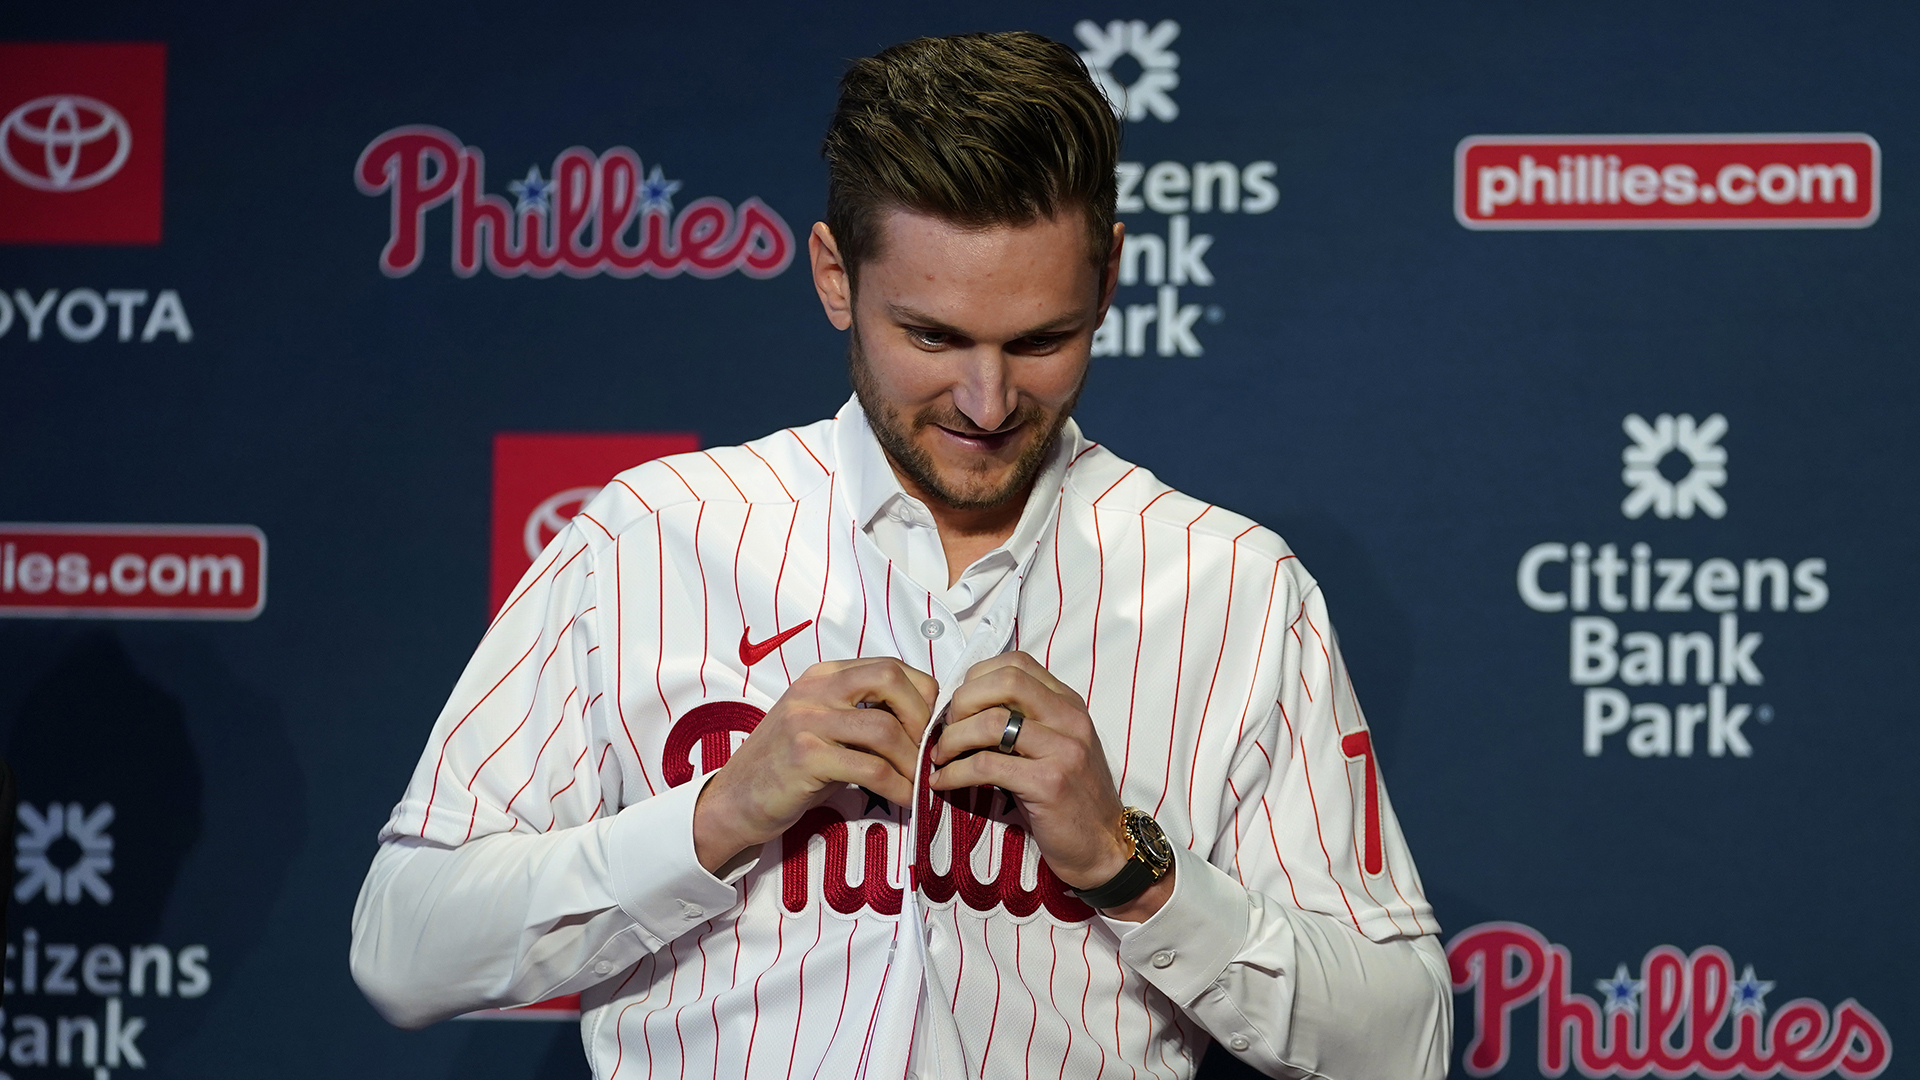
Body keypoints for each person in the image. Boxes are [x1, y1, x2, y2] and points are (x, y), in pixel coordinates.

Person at [351, 30, 1450, 1080]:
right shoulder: (649, 539)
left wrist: (1129, 863)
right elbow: (405, 948)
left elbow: (1403, 1039)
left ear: (1110, 276)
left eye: (1041, 341)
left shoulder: (1236, 588)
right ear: (835, 276)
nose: (986, 400)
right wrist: (717, 815)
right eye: (931, 337)